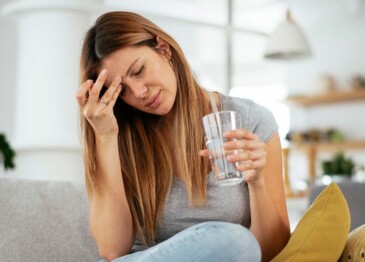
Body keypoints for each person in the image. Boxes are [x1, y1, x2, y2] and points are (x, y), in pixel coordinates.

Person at [76, 11, 290, 262]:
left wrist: (257, 182)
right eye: (122, 91)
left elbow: (270, 251)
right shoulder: (119, 133)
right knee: (234, 240)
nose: (140, 93)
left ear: (164, 50)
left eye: (139, 70)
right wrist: (105, 137)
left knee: (238, 243)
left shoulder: (252, 120)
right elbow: (112, 251)